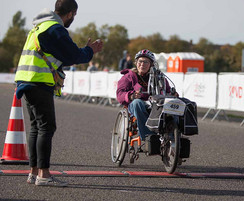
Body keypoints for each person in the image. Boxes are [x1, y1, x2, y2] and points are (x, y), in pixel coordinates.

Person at [14, 0, 103, 187]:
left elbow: (61, 54)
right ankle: (44, 175)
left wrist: (83, 51)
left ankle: (33, 172)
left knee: (36, 127)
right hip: (39, 81)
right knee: (47, 127)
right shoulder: (55, 29)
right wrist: (90, 51)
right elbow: (71, 56)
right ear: (70, 13)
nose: (73, 19)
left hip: (26, 80)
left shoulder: (40, 26)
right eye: (74, 16)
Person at [116, 49, 170, 141]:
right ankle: (149, 137)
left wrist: (172, 94)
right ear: (136, 62)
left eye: (146, 62)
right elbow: (120, 94)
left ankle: (174, 137)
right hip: (135, 106)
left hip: (155, 105)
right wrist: (131, 95)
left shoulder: (159, 77)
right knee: (137, 102)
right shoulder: (129, 76)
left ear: (151, 64)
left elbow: (167, 91)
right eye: (140, 61)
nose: (142, 64)